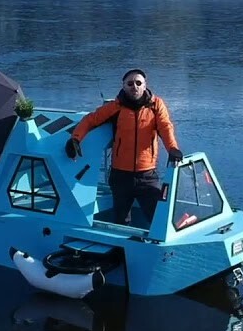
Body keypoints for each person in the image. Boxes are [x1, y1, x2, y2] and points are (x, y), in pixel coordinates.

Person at [66, 68, 183, 226]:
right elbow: (90, 120)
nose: (134, 86)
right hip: (120, 176)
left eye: (138, 83)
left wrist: (173, 149)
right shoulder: (116, 107)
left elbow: (165, 127)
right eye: (130, 83)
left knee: (158, 219)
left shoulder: (156, 106)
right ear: (124, 86)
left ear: (144, 85)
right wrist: (75, 139)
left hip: (147, 175)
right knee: (121, 222)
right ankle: (121, 251)